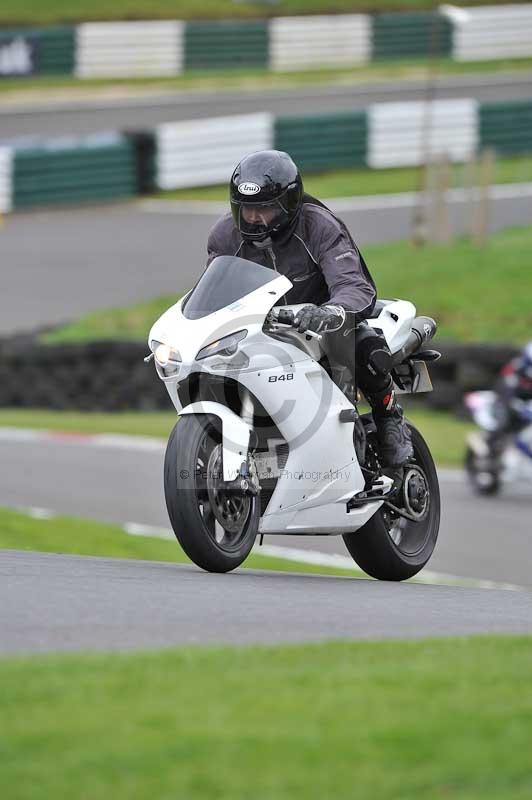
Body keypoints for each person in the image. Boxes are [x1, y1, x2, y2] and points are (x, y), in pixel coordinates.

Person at [207, 149, 413, 468]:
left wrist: (331, 311)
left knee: (363, 346)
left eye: (265, 209)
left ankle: (389, 416)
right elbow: (213, 294)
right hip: (263, 334)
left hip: (321, 326)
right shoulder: (224, 237)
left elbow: (354, 284)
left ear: (289, 204)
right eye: (247, 209)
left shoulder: (319, 226)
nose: (255, 219)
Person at [489, 342, 532, 450]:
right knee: (505, 418)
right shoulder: (516, 367)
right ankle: (490, 442)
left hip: (525, 402)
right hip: (507, 400)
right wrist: (514, 402)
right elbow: (506, 387)